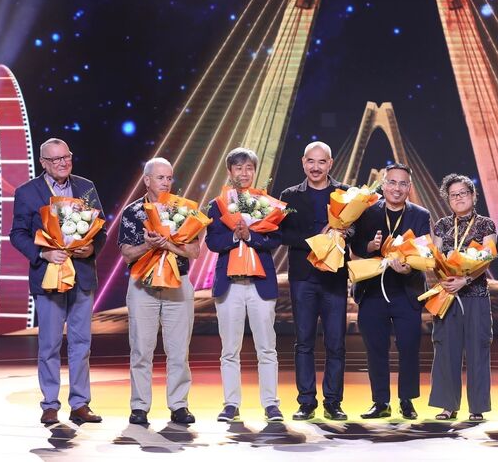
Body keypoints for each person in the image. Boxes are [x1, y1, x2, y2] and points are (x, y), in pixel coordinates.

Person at [9, 138, 105, 425]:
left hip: (82, 275)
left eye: (66, 157)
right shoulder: (27, 192)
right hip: (48, 276)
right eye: (56, 159)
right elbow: (17, 234)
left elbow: (100, 229)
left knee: (81, 343)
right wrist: (43, 253)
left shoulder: (86, 187)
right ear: (43, 162)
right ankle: (50, 404)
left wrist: (91, 248)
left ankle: (80, 404)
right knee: (49, 344)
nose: (63, 163)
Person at [118, 157, 199, 426]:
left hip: (178, 283)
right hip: (143, 285)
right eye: (160, 177)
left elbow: (195, 251)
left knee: (179, 350)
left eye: (169, 177)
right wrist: (149, 245)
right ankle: (139, 406)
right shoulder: (132, 212)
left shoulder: (183, 210)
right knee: (141, 348)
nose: (166, 182)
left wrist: (170, 245)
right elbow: (127, 254)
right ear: (147, 180)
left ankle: (179, 405)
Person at [205, 147, 283, 423]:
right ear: (230, 172)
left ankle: (271, 404)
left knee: (267, 348)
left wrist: (250, 236)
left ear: (255, 171)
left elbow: (275, 240)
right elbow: (212, 242)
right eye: (238, 168)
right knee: (229, 350)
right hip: (230, 286)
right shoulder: (217, 205)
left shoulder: (266, 203)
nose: (244, 173)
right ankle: (231, 404)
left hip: (260, 284)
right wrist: (234, 236)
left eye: (249, 167)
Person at [350, 163, 430, 420]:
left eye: (403, 183)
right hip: (372, 291)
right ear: (383, 185)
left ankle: (407, 401)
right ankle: (380, 402)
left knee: (409, 347)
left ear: (409, 187)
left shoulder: (421, 215)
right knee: (376, 348)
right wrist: (370, 246)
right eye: (392, 182)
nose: (397, 188)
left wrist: (408, 268)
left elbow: (424, 250)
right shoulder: (366, 212)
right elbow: (355, 248)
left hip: (407, 291)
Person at [278, 141, 349, 421]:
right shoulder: (289, 195)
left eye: (321, 162)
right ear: (303, 162)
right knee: (304, 342)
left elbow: (356, 229)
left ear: (330, 163)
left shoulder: (344, 194)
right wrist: (315, 239)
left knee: (336, 343)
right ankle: (306, 402)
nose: (316, 167)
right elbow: (282, 234)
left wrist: (346, 231)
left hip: (334, 278)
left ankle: (333, 402)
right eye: (311, 161)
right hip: (303, 278)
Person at [428, 173, 497, 422]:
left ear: (473, 195)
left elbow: (488, 257)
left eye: (463, 193)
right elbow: (434, 258)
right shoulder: (442, 225)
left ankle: (477, 407)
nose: (458, 198)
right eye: (453, 195)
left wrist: (465, 280)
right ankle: (447, 406)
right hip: (447, 294)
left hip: (475, 294)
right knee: (445, 350)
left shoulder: (486, 224)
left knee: (478, 350)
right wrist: (443, 278)